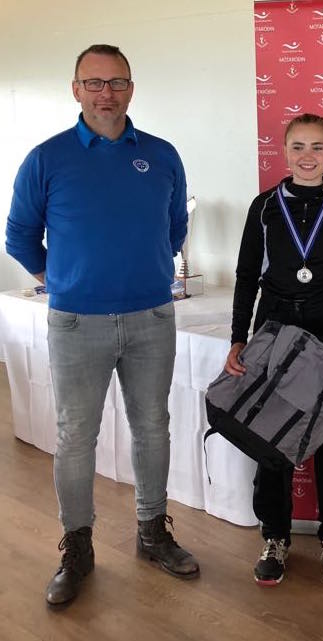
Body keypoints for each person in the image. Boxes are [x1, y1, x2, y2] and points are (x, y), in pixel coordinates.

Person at [5, 44, 199, 608]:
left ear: (131, 89)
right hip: (75, 322)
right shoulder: (47, 158)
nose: (105, 93)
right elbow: (20, 236)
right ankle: (78, 547)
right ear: (76, 89)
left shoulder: (161, 155)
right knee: (74, 437)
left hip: (151, 317)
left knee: (153, 427)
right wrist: (62, 278)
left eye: (116, 82)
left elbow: (174, 227)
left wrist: (143, 273)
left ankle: (152, 531)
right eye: (94, 82)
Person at [225, 113, 323, 586]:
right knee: (271, 438)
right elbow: (247, 276)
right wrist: (238, 338)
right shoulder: (264, 207)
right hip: (275, 327)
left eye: (318, 147)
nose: (308, 156)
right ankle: (275, 535)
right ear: (284, 152)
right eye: (299, 147)